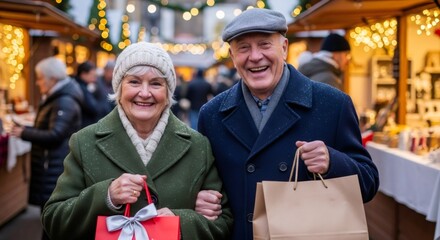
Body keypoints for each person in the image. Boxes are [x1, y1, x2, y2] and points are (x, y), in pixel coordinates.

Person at [195, 8, 379, 240]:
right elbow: (203, 184)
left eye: (264, 44)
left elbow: (369, 183)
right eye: (243, 48)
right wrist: (200, 199)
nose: (255, 56)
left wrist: (333, 162)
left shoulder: (333, 104)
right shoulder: (212, 115)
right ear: (232, 57)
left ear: (284, 48)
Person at [41, 42, 233, 240]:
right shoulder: (85, 142)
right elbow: (54, 220)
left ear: (168, 93)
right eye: (134, 82)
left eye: (156, 83)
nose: (144, 93)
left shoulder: (198, 146)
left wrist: (180, 221)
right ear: (119, 88)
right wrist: (106, 196)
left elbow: (223, 223)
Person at [9, 57, 83, 240]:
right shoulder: (58, 97)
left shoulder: (63, 100)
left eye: (41, 78)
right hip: (53, 165)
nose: (38, 82)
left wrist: (24, 133)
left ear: (52, 79)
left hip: (54, 167)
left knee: (52, 221)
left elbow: (55, 135)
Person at [75, 61, 108, 128]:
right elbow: (94, 109)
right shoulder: (81, 88)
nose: (95, 78)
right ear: (83, 74)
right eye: (92, 75)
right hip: (84, 125)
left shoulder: (82, 86)